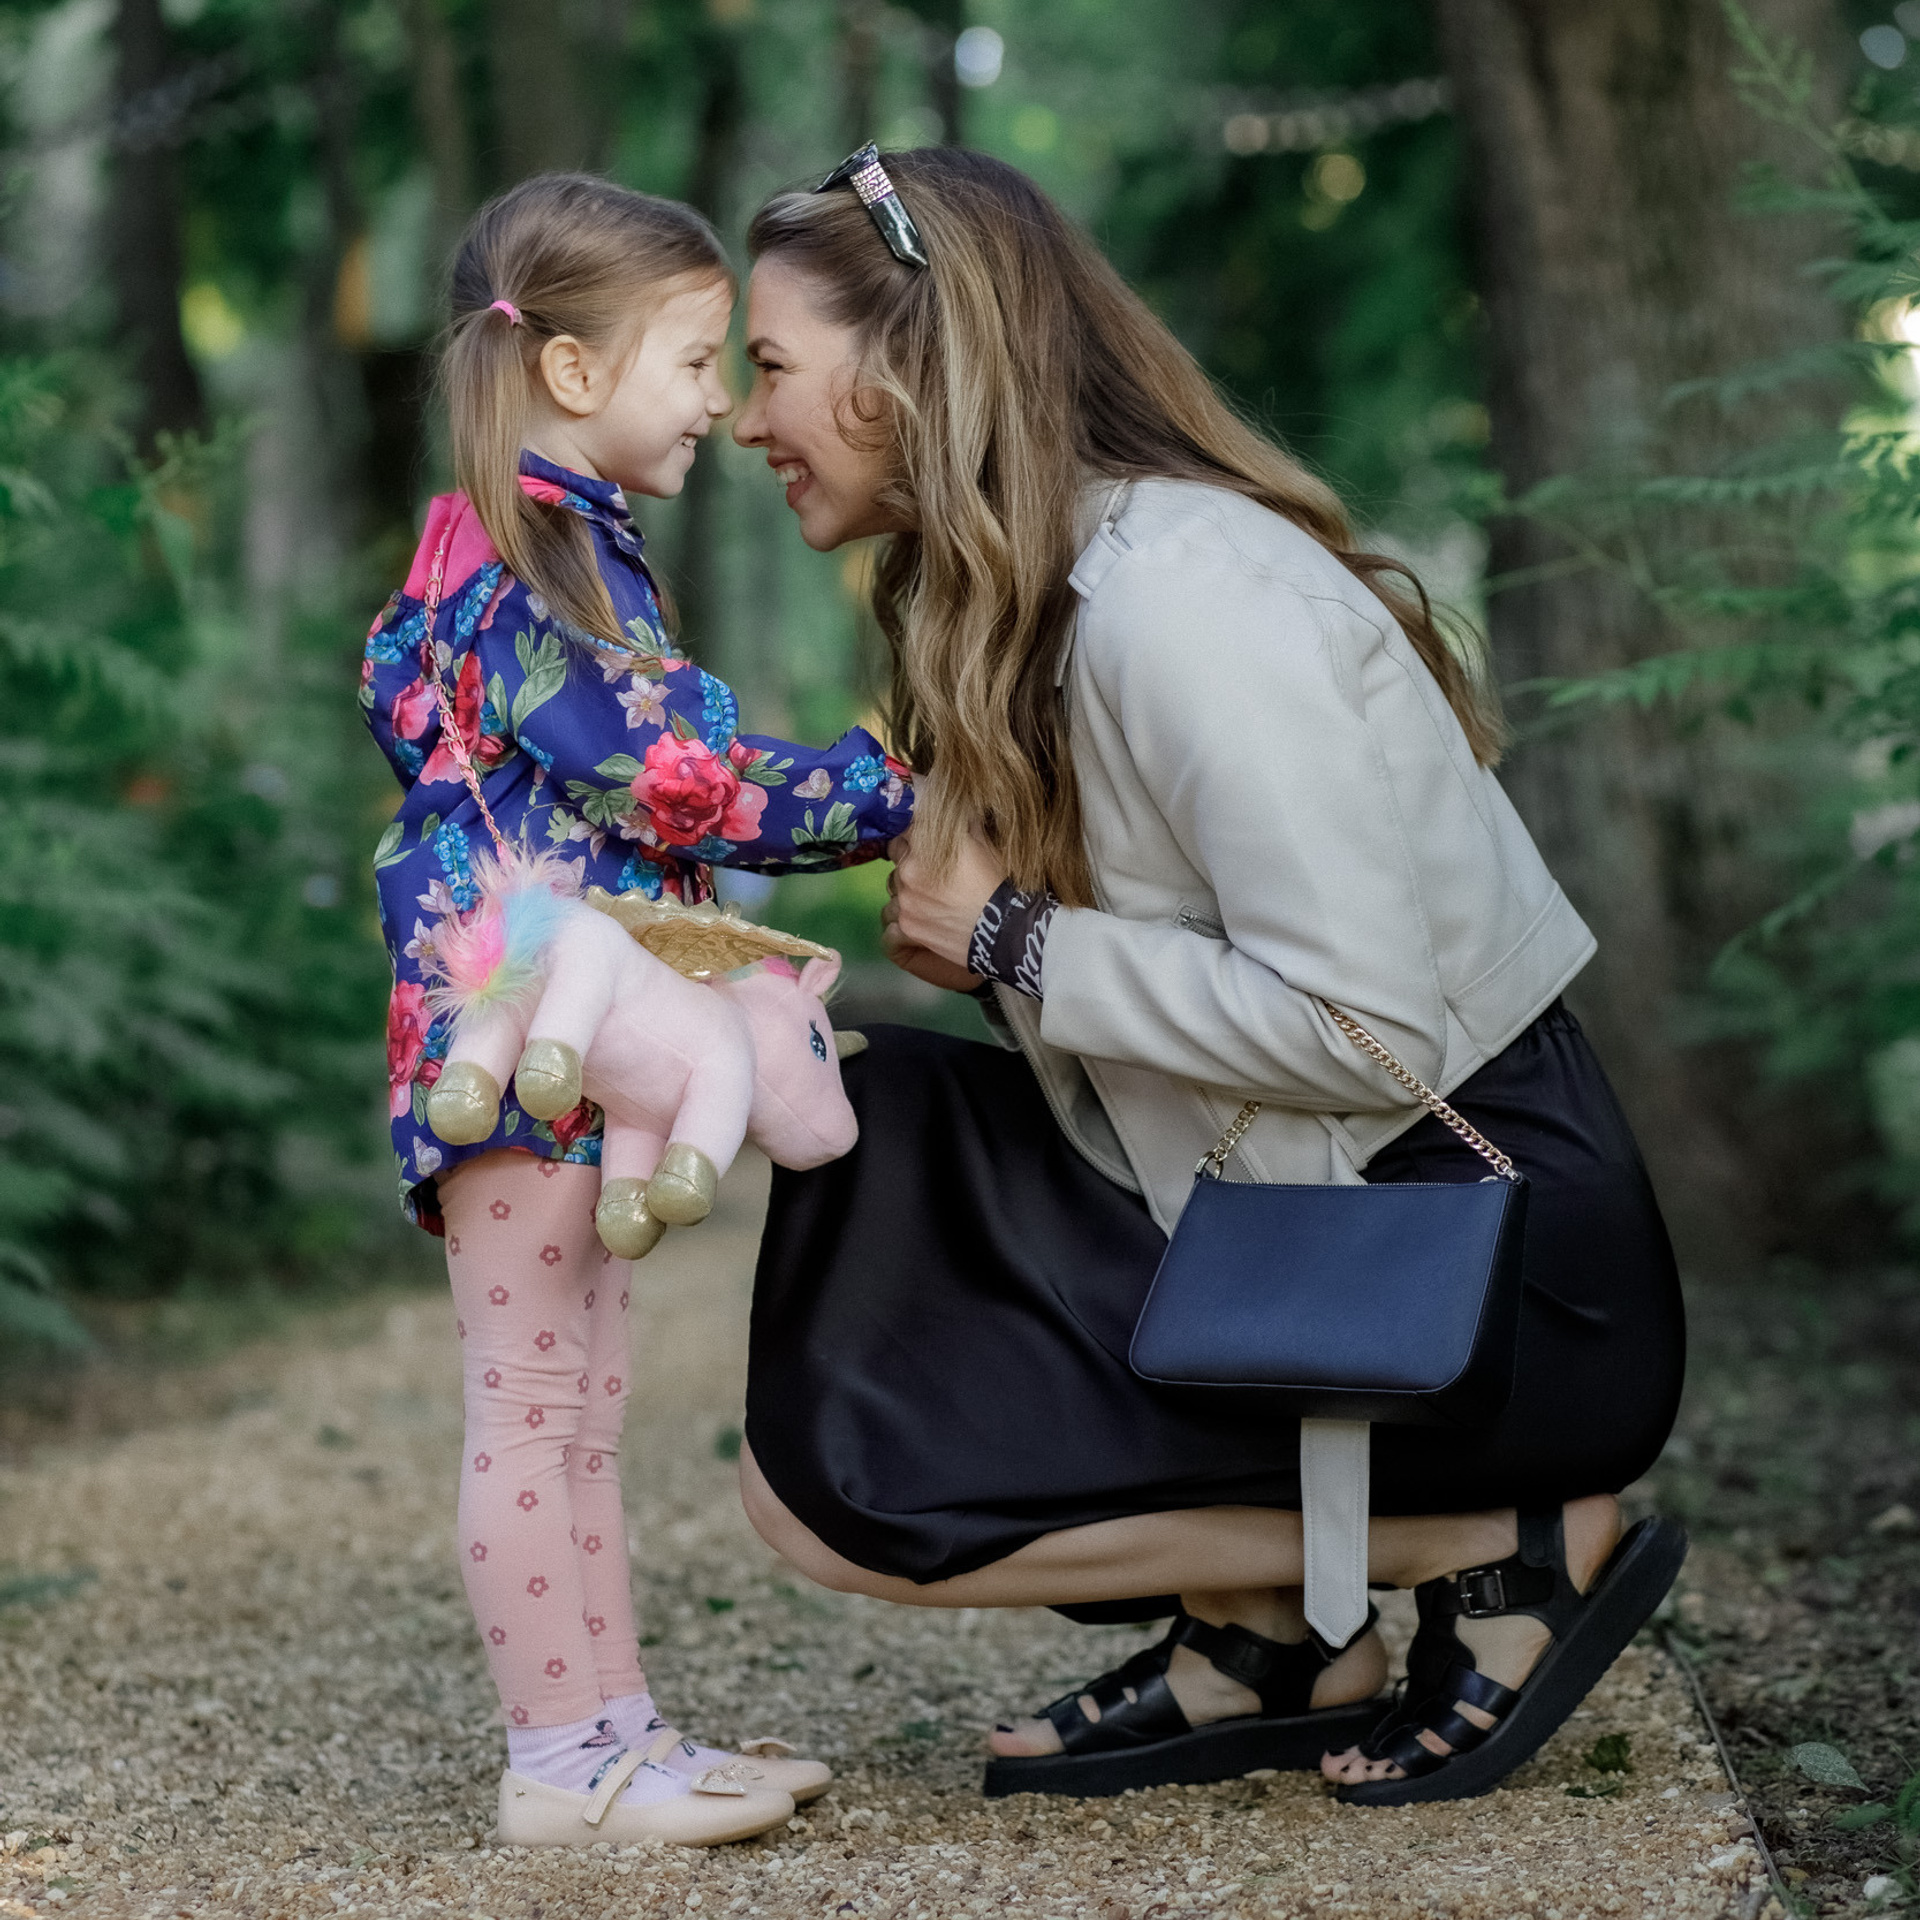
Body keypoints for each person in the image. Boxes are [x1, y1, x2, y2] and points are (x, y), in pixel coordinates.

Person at [728, 146, 1688, 1806]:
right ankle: (1268, 1624)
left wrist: (1019, 942)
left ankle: (1504, 1533)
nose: (748, 420)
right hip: (1309, 1218)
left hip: (1480, 1265)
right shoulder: (1039, 598)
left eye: (768, 366)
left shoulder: (1185, 601)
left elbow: (1365, 1029)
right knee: (871, 1131)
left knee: (841, 1491)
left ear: (910, 368)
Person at [360, 174, 911, 1848]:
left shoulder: (549, 540)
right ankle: (560, 1761)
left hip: (572, 1024)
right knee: (535, 1406)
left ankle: (617, 1736)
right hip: (517, 1031)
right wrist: (892, 788)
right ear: (574, 372)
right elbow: (676, 777)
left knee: (582, 1404)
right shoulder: (526, 559)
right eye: (691, 360)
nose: (720, 404)